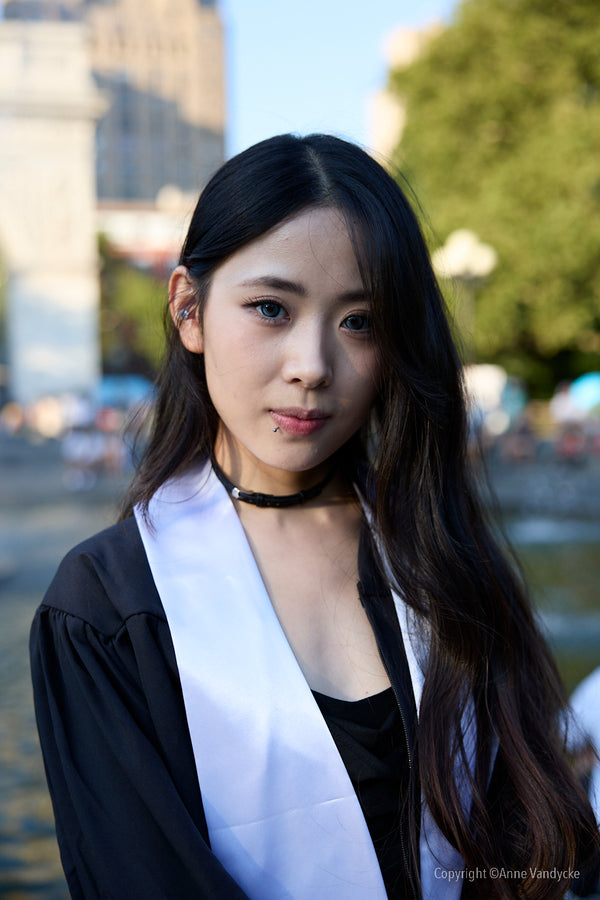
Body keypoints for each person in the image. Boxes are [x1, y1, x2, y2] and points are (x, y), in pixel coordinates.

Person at [30, 134, 599, 900]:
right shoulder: (106, 607)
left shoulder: (440, 556)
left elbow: (525, 837)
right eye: (271, 308)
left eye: (359, 322)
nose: (312, 365)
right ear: (189, 311)